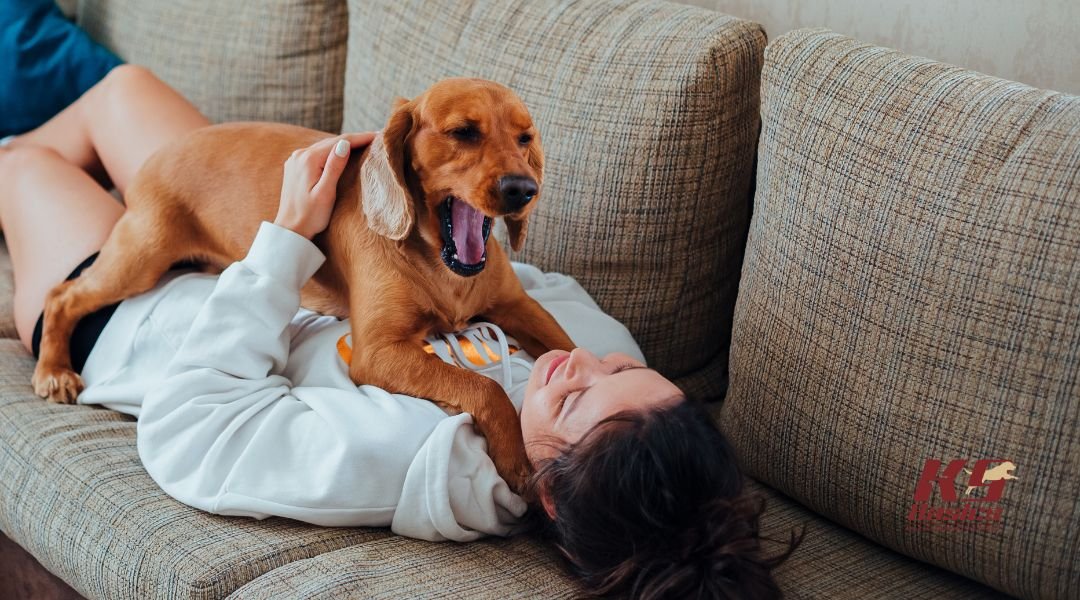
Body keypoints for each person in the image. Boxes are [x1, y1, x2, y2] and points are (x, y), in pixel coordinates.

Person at [0, 65, 799, 598]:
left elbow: (191, 427)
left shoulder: (412, 460)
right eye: (628, 367)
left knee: (23, 165)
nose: (590, 360)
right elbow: (530, 300)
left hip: (140, 323)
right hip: (260, 232)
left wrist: (283, 239)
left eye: (585, 391)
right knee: (124, 89)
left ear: (545, 490)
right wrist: (388, 203)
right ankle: (104, 208)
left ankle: (44, 296)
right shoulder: (599, 376)